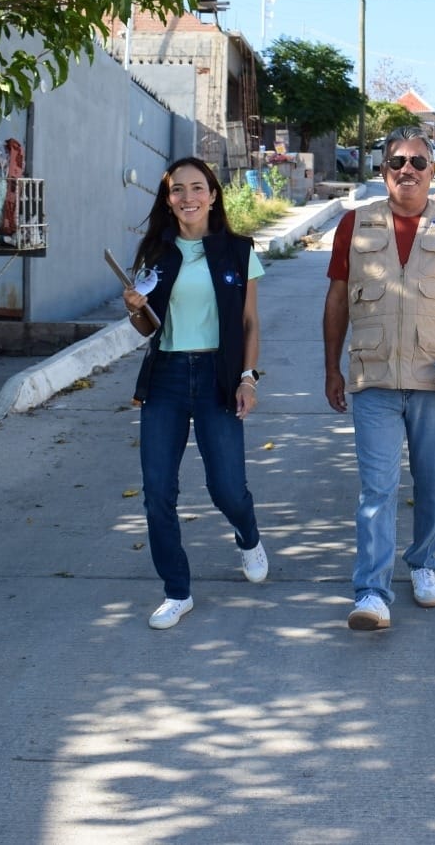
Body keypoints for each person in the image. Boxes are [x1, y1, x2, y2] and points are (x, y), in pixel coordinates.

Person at [323, 127, 435, 631]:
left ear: (433, 171)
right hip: (373, 376)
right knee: (376, 489)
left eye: (419, 162)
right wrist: (330, 366)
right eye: (397, 161)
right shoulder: (354, 225)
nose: (408, 169)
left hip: (432, 378)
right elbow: (337, 301)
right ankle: (372, 594)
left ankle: (424, 565)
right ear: (382, 170)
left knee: (433, 484)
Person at [122, 158, 269, 630]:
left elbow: (248, 323)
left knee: (226, 487)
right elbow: (148, 328)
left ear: (212, 195)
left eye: (197, 188)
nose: (188, 197)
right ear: (168, 200)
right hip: (165, 376)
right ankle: (176, 591)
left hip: (218, 376)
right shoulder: (156, 254)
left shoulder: (239, 251)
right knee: (157, 492)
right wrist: (134, 309)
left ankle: (248, 536)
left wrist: (248, 377)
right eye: (178, 190)